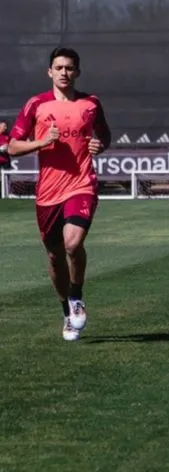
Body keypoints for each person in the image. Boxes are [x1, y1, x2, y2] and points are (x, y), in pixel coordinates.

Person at [6, 47, 111, 342]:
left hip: (82, 184)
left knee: (72, 244)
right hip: (48, 192)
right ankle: (67, 310)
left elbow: (105, 134)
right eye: (59, 67)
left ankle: (77, 295)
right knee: (54, 256)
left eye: (70, 67)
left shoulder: (91, 103)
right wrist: (41, 142)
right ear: (49, 72)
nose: (64, 72)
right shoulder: (36, 104)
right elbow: (13, 146)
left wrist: (100, 145)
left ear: (77, 72)